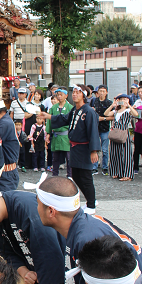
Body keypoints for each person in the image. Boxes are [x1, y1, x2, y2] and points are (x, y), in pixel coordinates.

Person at [45, 85, 100, 214]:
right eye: (73, 92)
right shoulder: (75, 110)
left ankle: (91, 204)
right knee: (75, 175)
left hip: (85, 147)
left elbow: (93, 132)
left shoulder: (88, 111)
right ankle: (90, 198)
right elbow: (64, 119)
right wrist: (49, 117)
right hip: (75, 147)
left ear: (83, 95)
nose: (74, 95)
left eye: (77, 92)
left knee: (86, 177)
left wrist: (94, 151)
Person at [104, 94, 138, 181]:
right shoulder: (116, 111)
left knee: (125, 154)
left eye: (124, 99)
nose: (122, 101)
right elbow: (106, 113)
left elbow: (136, 114)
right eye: (121, 99)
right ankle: (116, 172)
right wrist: (113, 105)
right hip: (115, 132)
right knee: (115, 153)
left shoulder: (127, 111)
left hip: (124, 133)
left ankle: (127, 174)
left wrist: (129, 105)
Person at [45, 87, 73, 178]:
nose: (59, 97)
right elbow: (49, 121)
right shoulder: (53, 107)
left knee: (68, 157)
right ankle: (55, 174)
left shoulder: (70, 107)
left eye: (61, 95)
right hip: (56, 135)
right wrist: (48, 133)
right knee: (55, 157)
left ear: (66, 95)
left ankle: (69, 175)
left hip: (66, 135)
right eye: (58, 95)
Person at [91, 84, 112, 175]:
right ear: (97, 92)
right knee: (94, 148)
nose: (102, 93)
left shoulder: (109, 103)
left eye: (104, 91)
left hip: (105, 128)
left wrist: (102, 118)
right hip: (95, 128)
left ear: (106, 92)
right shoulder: (94, 101)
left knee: (105, 150)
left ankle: (105, 167)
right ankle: (94, 167)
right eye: (100, 91)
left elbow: (112, 117)